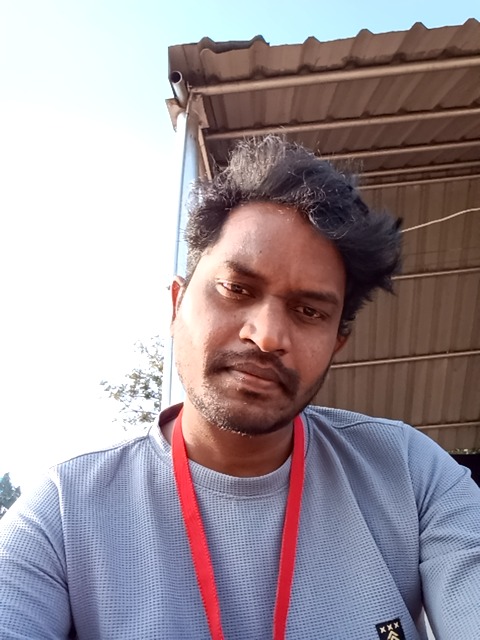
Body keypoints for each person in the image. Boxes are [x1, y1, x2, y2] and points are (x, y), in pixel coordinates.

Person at [1, 136, 479, 640]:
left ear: (338, 341)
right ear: (176, 303)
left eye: (309, 311)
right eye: (236, 289)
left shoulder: (408, 472)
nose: (267, 335)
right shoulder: (65, 509)